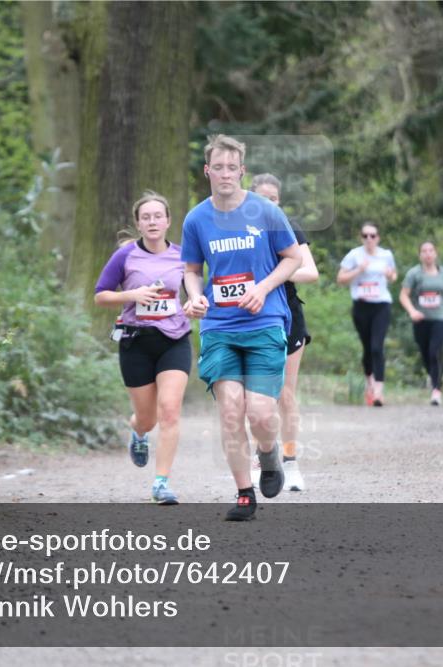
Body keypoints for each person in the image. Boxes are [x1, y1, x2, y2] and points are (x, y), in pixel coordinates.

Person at [180, 135, 301, 521]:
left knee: (261, 415)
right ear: (207, 171)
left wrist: (264, 288)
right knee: (231, 411)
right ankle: (244, 492)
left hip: (265, 322)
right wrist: (195, 296)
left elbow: (293, 258)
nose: (226, 174)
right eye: (219, 167)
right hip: (219, 327)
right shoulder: (196, 219)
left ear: (242, 171)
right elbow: (191, 270)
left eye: (233, 167)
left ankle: (269, 456)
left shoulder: (265, 211)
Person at [94, 191, 191, 505]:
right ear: (138, 223)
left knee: (170, 411)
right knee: (147, 418)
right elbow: (101, 295)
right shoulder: (125, 256)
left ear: (168, 221)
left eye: (157, 216)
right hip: (136, 341)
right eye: (146, 217)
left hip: (174, 339)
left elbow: (194, 291)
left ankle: (161, 483)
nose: (152, 222)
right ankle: (137, 431)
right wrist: (131, 296)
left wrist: (195, 305)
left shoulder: (183, 255)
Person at [250, 173, 319, 491]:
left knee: (285, 395)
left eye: (273, 198)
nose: (267, 203)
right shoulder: (239, 230)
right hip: (251, 317)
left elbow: (310, 272)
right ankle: (260, 460)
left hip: (288, 316)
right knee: (256, 398)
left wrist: (278, 276)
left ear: (279, 201)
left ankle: (290, 463)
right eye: (261, 197)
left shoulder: (287, 228)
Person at [337, 223, 397, 406]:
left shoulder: (386, 255)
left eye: (373, 235)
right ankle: (369, 383)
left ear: (378, 237)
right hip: (361, 306)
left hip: (381, 305)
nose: (369, 239)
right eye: (365, 236)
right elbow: (340, 279)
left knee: (377, 347)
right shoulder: (354, 255)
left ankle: (378, 391)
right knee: (367, 348)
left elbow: (393, 276)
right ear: (361, 237)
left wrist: (390, 275)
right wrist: (359, 270)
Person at [400, 241, 443, 406]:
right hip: (421, 320)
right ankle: (433, 377)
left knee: (434, 352)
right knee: (425, 354)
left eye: (431, 251)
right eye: (424, 251)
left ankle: (436, 391)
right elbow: (403, 295)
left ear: (436, 253)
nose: (428, 254)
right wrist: (412, 311)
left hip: (440, 319)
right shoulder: (414, 274)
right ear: (420, 255)